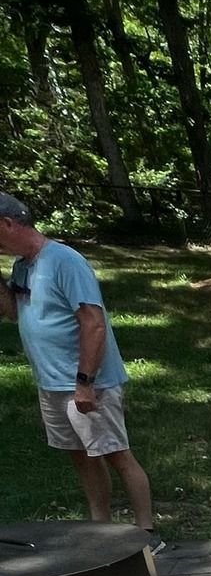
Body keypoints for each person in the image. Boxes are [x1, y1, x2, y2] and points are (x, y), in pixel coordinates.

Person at [0, 192, 155, 533]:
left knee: (116, 454)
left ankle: (147, 533)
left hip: (85, 382)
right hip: (52, 383)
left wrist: (84, 383)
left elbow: (93, 322)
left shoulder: (64, 261)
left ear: (8, 224)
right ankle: (101, 530)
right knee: (82, 457)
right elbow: (11, 311)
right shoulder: (23, 266)